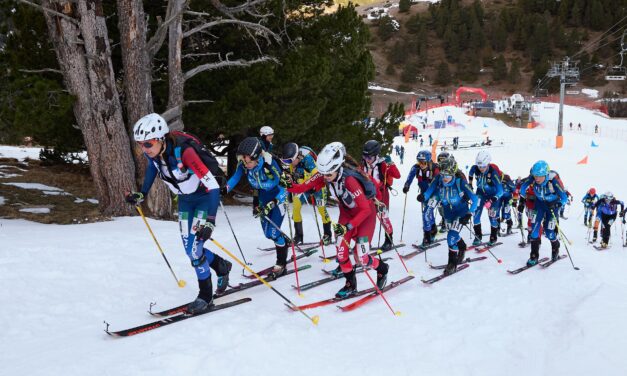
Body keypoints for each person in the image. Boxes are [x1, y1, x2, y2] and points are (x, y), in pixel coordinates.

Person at [126, 113, 232, 314]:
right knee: (190, 250)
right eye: (140, 144)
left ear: (160, 139)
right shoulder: (156, 156)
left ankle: (205, 296)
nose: (144, 149)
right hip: (185, 201)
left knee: (194, 251)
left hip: (203, 199)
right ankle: (222, 266)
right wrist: (142, 193)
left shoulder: (185, 153)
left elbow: (213, 187)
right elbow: (152, 170)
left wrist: (210, 221)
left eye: (147, 144)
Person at [288, 142, 389, 298]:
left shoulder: (350, 181)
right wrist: (288, 185)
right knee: (341, 253)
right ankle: (350, 284)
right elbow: (302, 188)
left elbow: (365, 209)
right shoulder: (325, 173)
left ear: (337, 168)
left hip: (364, 217)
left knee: (361, 257)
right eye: (323, 174)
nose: (325, 178)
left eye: (328, 175)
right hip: (346, 214)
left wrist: (348, 227)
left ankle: (382, 269)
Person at [225, 137, 288, 279]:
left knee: (273, 233)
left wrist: (273, 202)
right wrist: (223, 190)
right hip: (263, 199)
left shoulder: (269, 164)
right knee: (267, 234)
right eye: (244, 161)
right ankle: (283, 240)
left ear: (258, 157)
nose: (246, 164)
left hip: (278, 199)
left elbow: (284, 188)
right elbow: (234, 178)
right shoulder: (243, 165)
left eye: (249, 161)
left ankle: (281, 264)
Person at [421, 157, 478, 275]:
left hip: (461, 213)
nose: (444, 178)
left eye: (447, 176)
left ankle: (452, 263)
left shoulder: (460, 182)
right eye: (442, 175)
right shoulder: (439, 179)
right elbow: (431, 190)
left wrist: (469, 214)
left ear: (453, 173)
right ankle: (462, 247)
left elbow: (475, 199)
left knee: (451, 237)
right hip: (447, 212)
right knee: (453, 235)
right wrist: (424, 196)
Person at [281, 142, 332, 245]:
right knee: (296, 208)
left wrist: (312, 187)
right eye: (286, 161)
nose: (288, 163)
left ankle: (328, 234)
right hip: (301, 186)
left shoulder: (308, 159)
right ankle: (298, 236)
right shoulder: (289, 161)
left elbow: (318, 176)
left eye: (290, 161)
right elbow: (287, 175)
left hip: (316, 186)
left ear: (297, 156)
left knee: (321, 209)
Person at [519, 161, 568, 265]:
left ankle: (555, 247)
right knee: (534, 230)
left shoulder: (553, 181)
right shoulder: (533, 177)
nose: (537, 178)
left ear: (545, 174)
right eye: (535, 175)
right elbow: (523, 187)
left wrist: (557, 204)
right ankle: (534, 256)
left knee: (549, 232)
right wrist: (522, 197)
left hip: (552, 207)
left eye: (539, 176)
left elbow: (564, 198)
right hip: (539, 205)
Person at [362, 140, 401, 251]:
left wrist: (391, 163)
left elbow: (397, 175)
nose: (367, 160)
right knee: (366, 219)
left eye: (369, 157)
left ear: (376, 155)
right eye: (365, 157)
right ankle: (365, 242)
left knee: (384, 218)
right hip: (367, 196)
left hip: (381, 195)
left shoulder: (383, 164)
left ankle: (388, 240)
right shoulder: (363, 163)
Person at [403, 150, 440, 246]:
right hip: (424, 194)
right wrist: (407, 186)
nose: (421, 164)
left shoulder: (435, 169)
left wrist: (427, 195)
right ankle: (433, 229)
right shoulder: (416, 168)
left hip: (435, 194)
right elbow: (410, 177)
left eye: (423, 162)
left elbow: (437, 185)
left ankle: (427, 237)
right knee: (428, 212)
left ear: (428, 161)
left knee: (426, 214)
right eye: (419, 161)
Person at [468, 150, 503, 246]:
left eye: (483, 166)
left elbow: (501, 191)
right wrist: (470, 184)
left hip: (493, 196)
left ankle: (493, 236)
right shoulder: (475, 168)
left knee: (492, 217)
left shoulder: (493, 173)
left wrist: (492, 200)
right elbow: (470, 173)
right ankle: (478, 236)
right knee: (476, 214)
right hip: (480, 194)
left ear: (487, 164)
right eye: (479, 166)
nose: (481, 168)